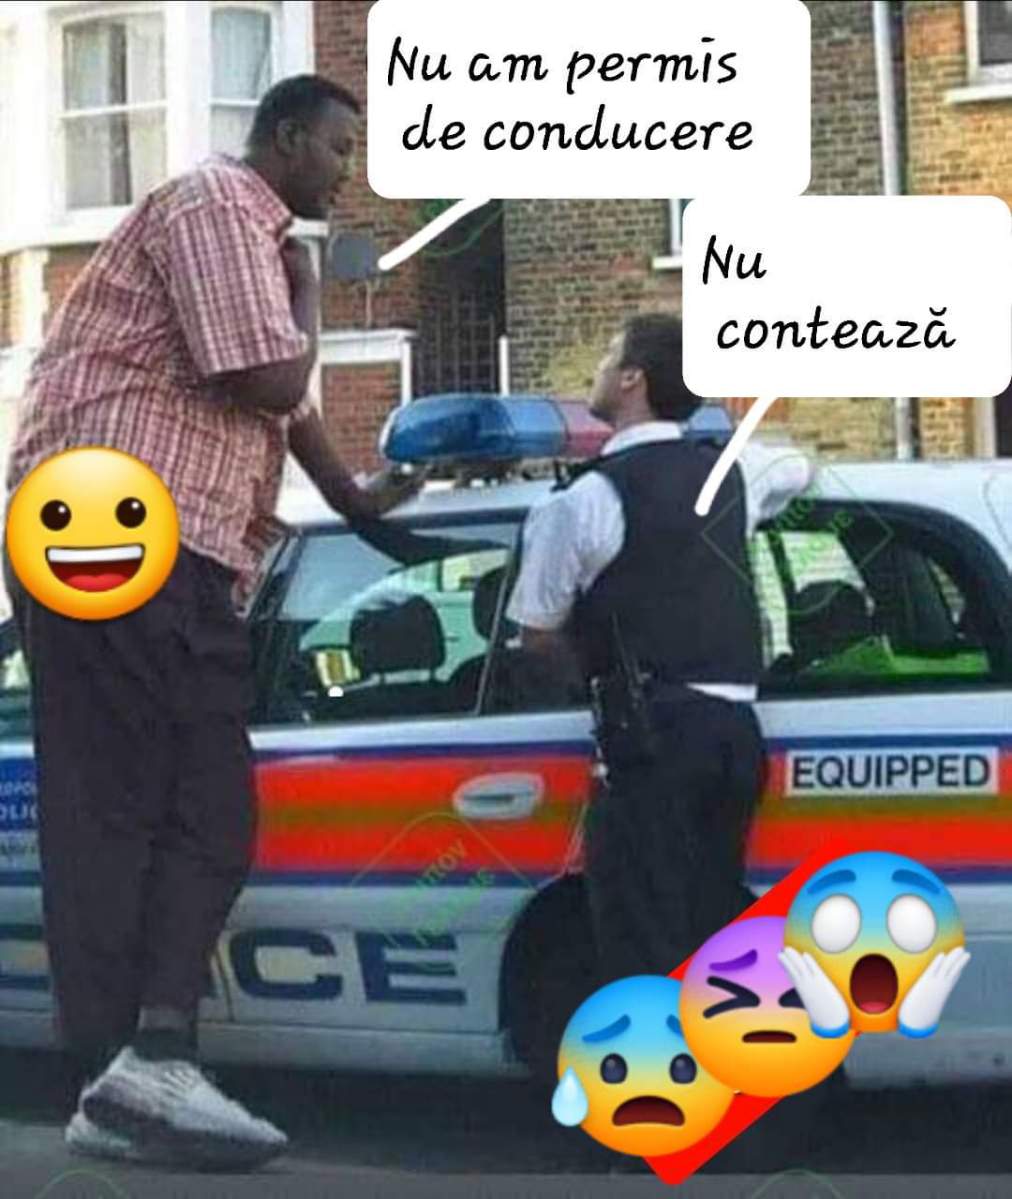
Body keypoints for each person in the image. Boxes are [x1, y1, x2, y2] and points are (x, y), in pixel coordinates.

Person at [3, 74, 419, 1169]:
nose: (346, 170)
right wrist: (309, 288)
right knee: (135, 812)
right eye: (337, 146)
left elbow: (282, 401)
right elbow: (268, 373)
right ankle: (128, 1068)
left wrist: (356, 502)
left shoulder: (246, 238)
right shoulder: (219, 205)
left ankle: (135, 1067)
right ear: (284, 137)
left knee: (172, 812)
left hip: (154, 548)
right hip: (117, 531)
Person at [506, 313, 814, 994]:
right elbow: (798, 467)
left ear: (632, 379)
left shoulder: (583, 500)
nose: (596, 369)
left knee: (642, 946)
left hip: (651, 747)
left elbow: (536, 636)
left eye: (607, 354)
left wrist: (597, 682)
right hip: (735, 740)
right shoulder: (733, 474)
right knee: (711, 937)